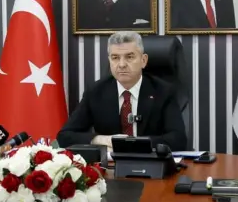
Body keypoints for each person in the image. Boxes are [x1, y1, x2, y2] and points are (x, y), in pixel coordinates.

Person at [57, 31, 188, 151]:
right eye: (115, 57)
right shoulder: (96, 92)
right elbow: (65, 136)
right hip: (109, 165)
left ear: (143, 60)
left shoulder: (163, 91)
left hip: (151, 164)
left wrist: (134, 144)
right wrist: (101, 140)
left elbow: (178, 140)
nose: (121, 64)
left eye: (129, 57)